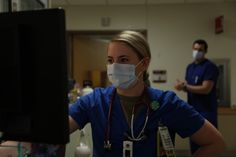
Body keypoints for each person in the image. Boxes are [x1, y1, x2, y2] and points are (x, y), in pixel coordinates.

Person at [69, 31, 226, 157]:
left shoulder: (167, 103)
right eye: (110, 60)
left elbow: (216, 143)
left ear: (144, 63)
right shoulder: (95, 101)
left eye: (123, 60)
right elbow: (56, 131)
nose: (114, 67)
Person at [174, 39, 220, 154]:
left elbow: (206, 89)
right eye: (195, 49)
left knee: (208, 146)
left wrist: (185, 87)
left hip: (206, 112)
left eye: (200, 50)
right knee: (195, 147)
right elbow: (188, 85)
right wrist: (181, 85)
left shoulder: (210, 67)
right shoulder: (190, 67)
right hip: (192, 111)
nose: (197, 52)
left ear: (205, 51)